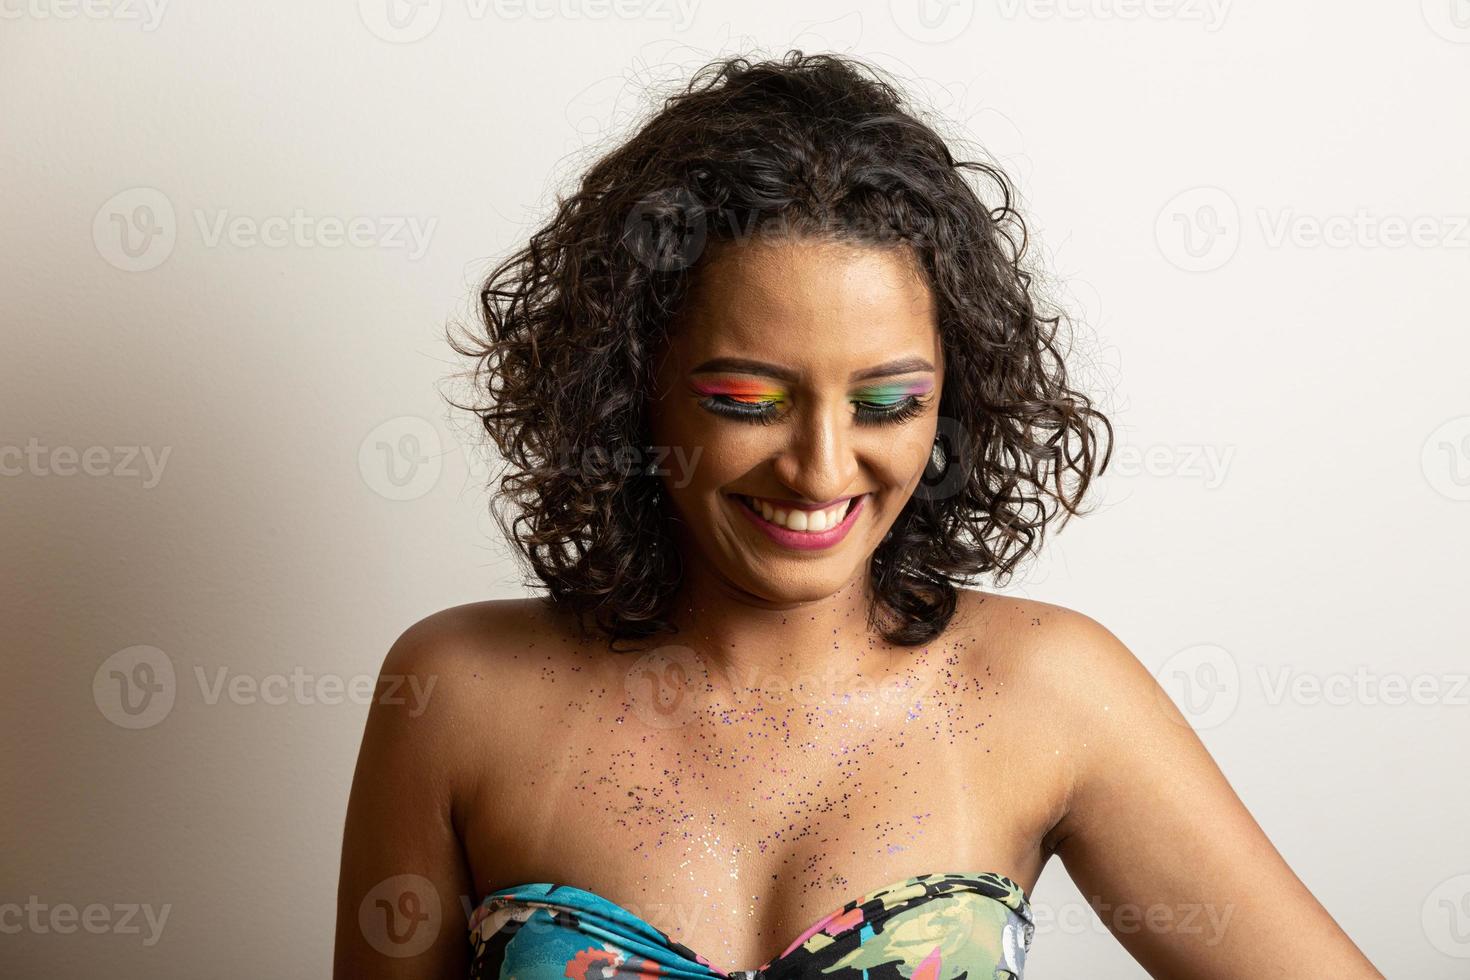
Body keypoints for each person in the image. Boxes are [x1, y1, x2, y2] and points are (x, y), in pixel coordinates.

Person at [334, 50, 1382, 979]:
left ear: (953, 399)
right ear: (630, 384)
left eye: (889, 403)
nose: (820, 466)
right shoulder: (457, 691)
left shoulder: (1049, 692)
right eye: (746, 402)